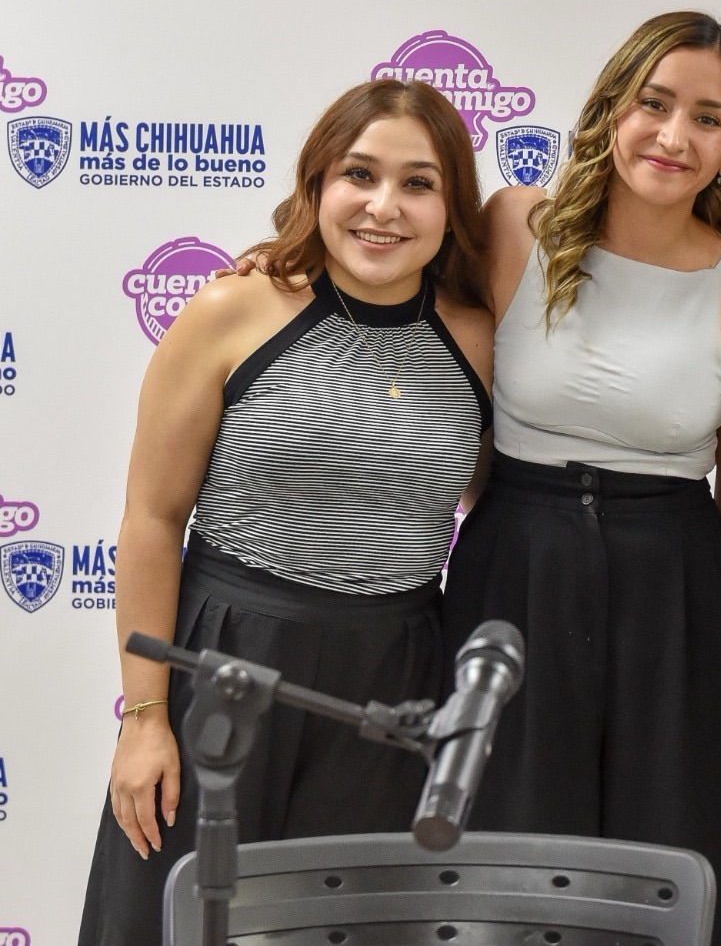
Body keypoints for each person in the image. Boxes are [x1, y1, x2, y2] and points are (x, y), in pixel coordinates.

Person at [78, 79, 494, 945]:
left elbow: (495, 503)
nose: (384, 207)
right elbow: (152, 522)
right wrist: (145, 720)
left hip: (395, 686)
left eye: (419, 183)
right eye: (359, 174)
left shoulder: (480, 340)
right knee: (174, 923)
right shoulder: (235, 309)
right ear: (316, 186)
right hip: (227, 659)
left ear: (453, 208)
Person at [441, 11, 721, 946]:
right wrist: (283, 265)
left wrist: (696, 642)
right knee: (499, 861)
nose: (675, 137)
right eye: (655, 103)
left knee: (673, 867)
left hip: (677, 590)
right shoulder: (516, 224)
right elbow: (390, 300)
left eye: (708, 118)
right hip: (513, 569)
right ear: (610, 109)